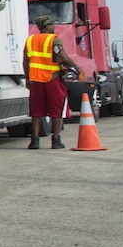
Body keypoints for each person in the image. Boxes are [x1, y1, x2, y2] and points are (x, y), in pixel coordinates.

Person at [23, 14, 82, 149]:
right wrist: (76, 68)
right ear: (46, 27)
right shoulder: (53, 40)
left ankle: (35, 141)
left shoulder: (30, 40)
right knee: (56, 110)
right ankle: (56, 140)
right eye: (51, 24)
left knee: (36, 112)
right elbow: (64, 58)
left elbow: (25, 62)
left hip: (35, 80)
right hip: (52, 78)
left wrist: (27, 78)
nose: (53, 26)